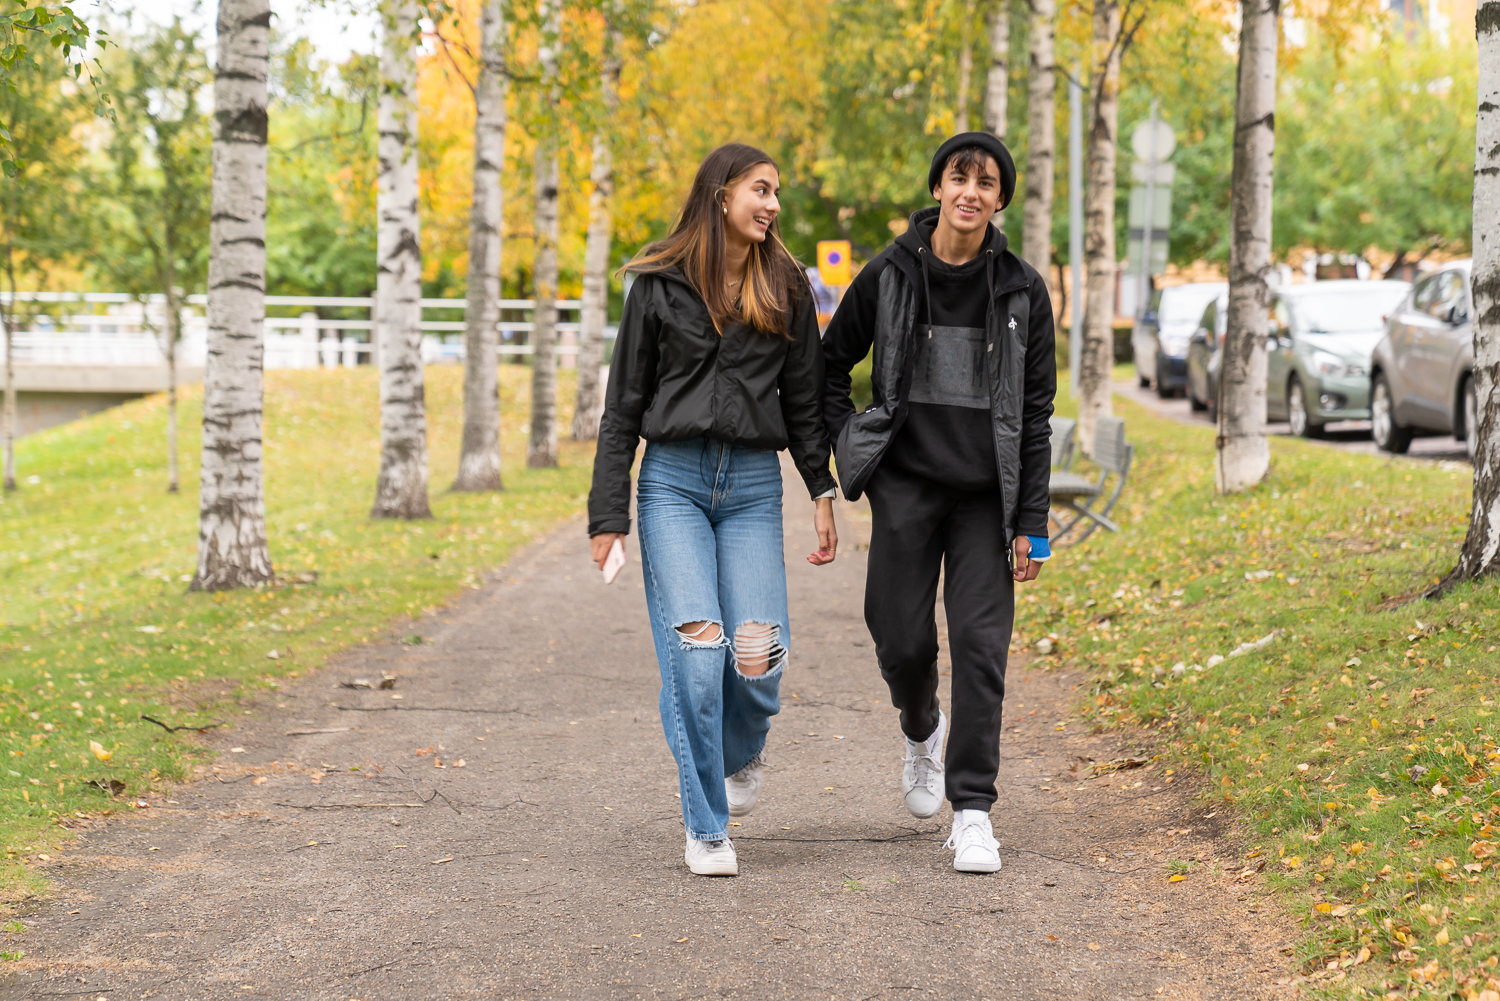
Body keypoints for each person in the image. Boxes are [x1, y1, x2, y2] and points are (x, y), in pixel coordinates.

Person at [588, 143, 839, 878]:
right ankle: (706, 827)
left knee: (756, 661)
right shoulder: (659, 285)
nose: (773, 206)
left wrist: (820, 490)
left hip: (755, 487)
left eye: (777, 193)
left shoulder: (788, 282)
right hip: (672, 483)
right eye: (762, 190)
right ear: (721, 192)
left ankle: (741, 747)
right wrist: (609, 516)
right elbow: (621, 409)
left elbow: (803, 401)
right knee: (698, 657)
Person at [821, 133, 1056, 874]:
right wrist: (851, 443)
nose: (971, 191)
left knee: (982, 648)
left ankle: (974, 809)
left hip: (989, 497)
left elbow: (1037, 414)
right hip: (908, 486)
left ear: (999, 200)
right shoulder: (890, 274)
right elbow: (830, 366)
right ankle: (921, 728)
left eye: (986, 182)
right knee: (900, 637)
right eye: (960, 176)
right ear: (939, 187)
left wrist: (1034, 524)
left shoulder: (1022, 289)